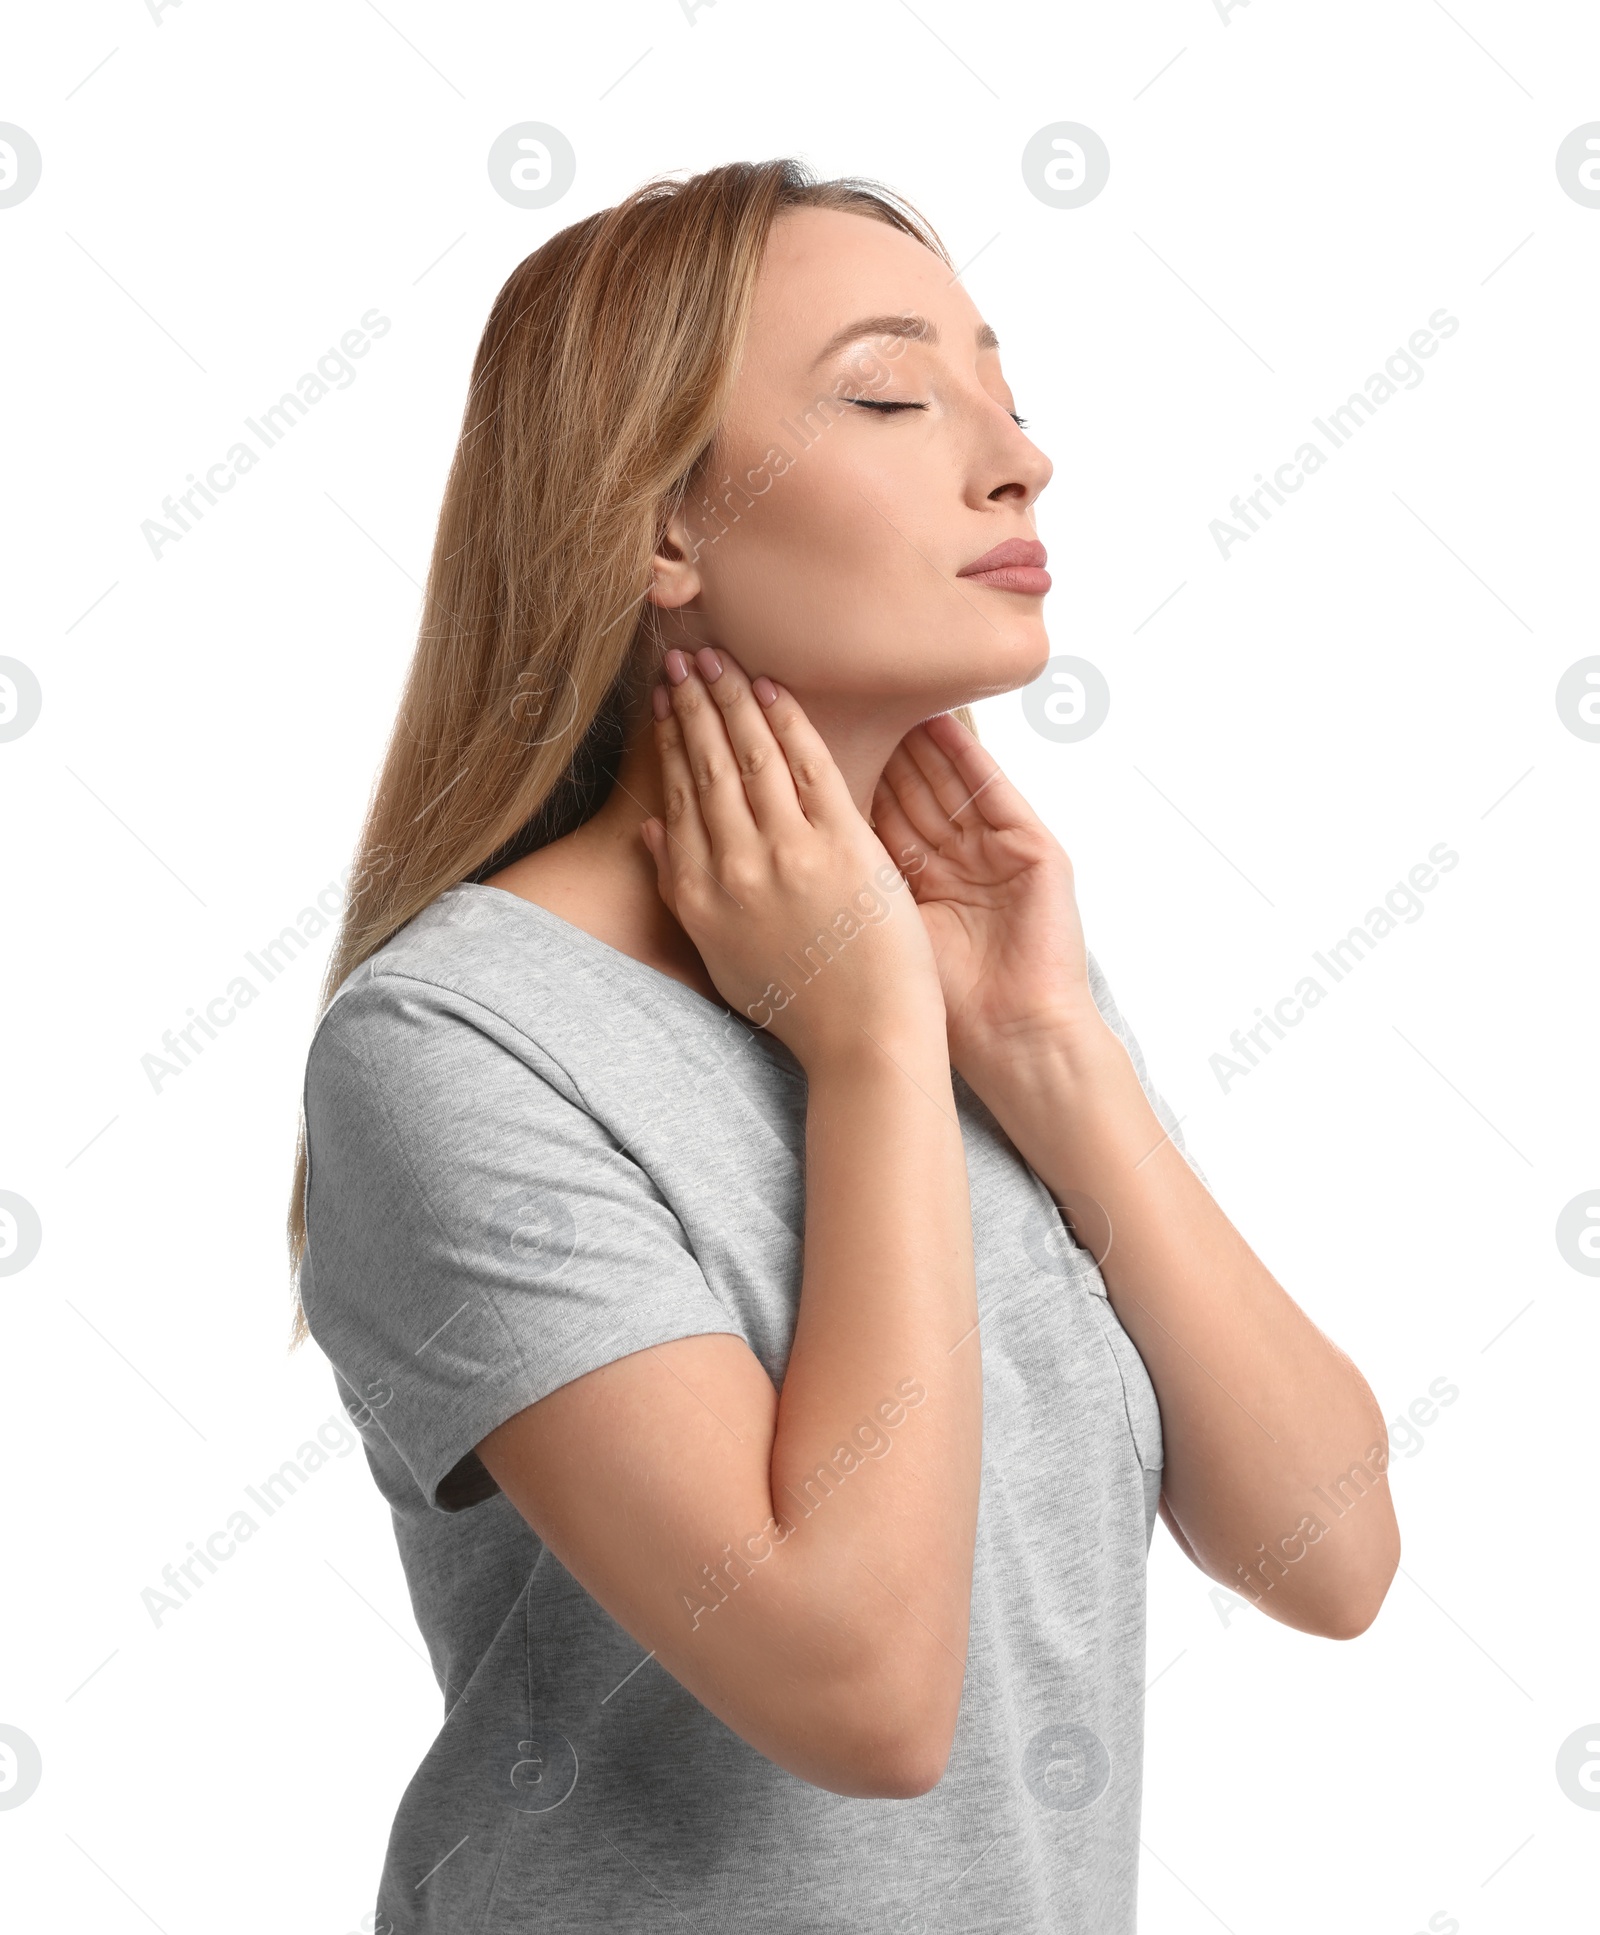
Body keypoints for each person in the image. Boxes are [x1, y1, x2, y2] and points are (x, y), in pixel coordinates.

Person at [289, 157, 1399, 1934]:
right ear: (659, 527)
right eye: (889, 395)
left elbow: (1330, 1555)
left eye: (1005, 392)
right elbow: (862, 1696)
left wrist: (1046, 1048)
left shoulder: (975, 978)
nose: (1019, 456)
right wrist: (872, 1055)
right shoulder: (459, 1044)